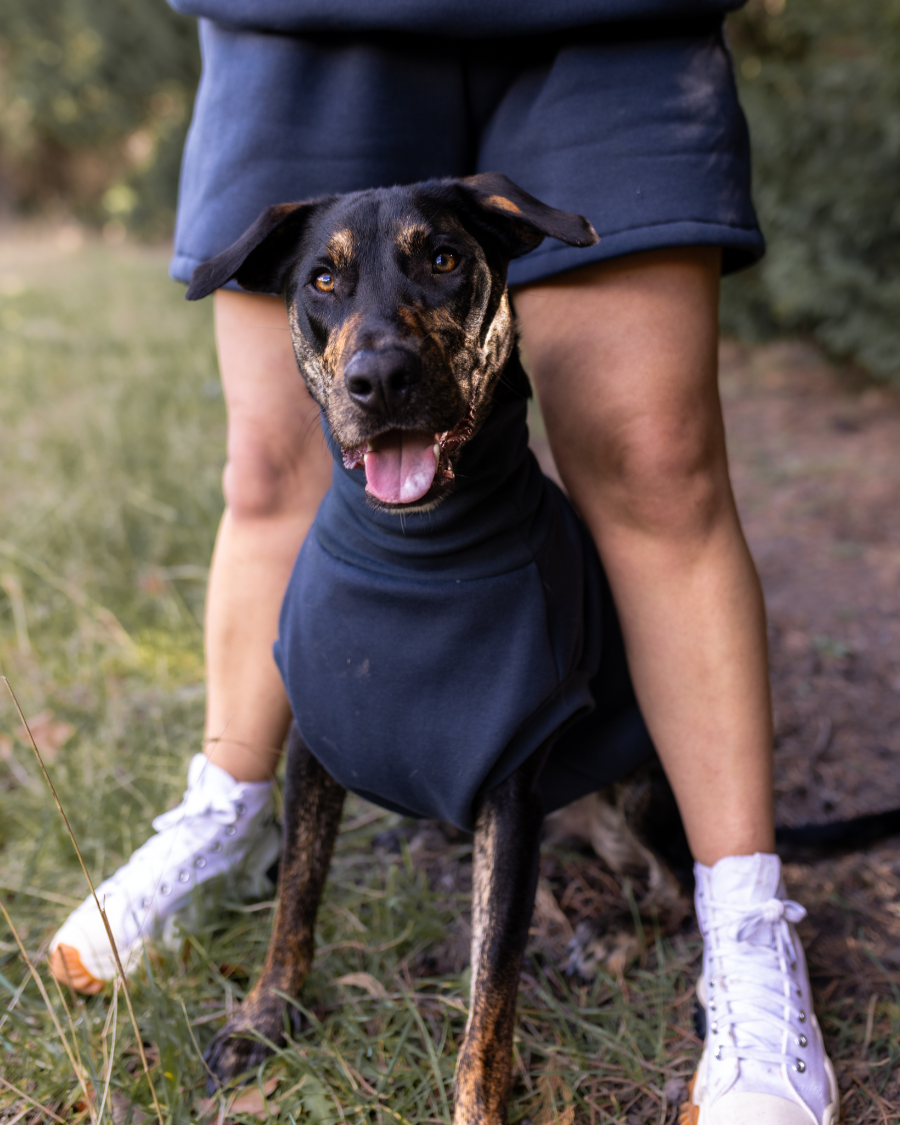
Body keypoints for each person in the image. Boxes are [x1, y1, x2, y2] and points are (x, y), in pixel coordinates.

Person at [49, 4, 839, 1122]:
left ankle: (744, 921)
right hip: (304, 13)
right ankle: (228, 809)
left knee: (656, 462)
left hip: (609, 15)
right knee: (271, 470)